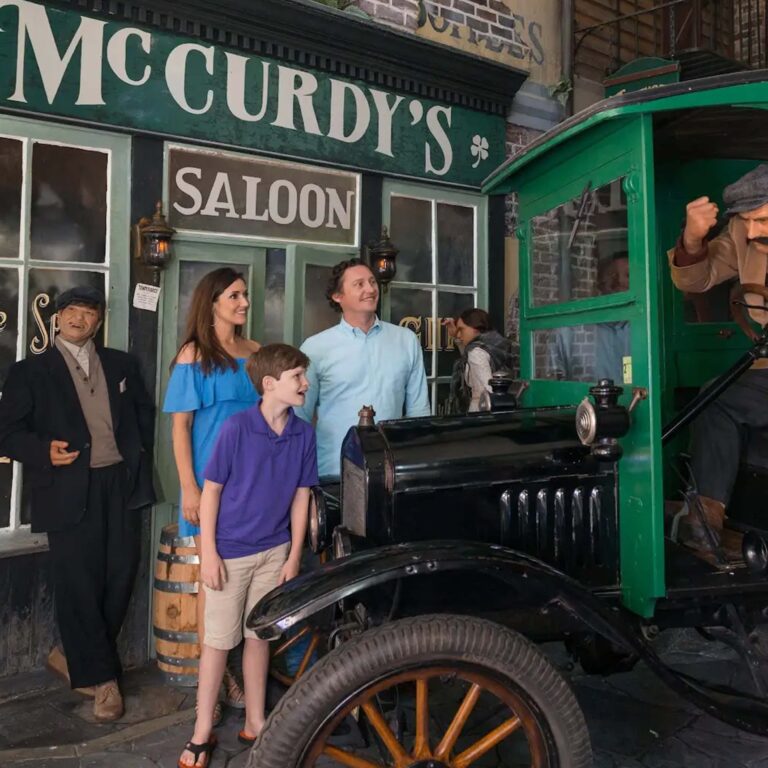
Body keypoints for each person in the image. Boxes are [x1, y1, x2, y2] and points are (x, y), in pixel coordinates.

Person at [0, 286, 155, 721]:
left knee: (122, 574)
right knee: (79, 583)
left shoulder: (121, 363)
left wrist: (136, 454)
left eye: (88, 313)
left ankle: (74, 658)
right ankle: (105, 682)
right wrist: (42, 450)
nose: (78, 318)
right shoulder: (30, 371)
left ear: (98, 322)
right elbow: (6, 432)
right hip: (67, 486)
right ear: (58, 319)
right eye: (71, 311)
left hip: (119, 484)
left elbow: (143, 414)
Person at [178, 344, 318, 768]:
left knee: (260, 638)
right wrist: (210, 553)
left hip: (274, 552)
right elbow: (212, 493)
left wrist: (294, 556)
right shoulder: (237, 428)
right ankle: (202, 731)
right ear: (270, 384)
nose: (305, 383)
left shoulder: (304, 433)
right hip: (232, 552)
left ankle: (256, 720)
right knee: (219, 643)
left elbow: (301, 496)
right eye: (298, 376)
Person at [162, 268, 261, 714]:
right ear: (213, 301)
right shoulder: (193, 354)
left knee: (247, 582)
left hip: (253, 484)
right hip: (210, 486)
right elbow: (180, 427)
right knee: (212, 586)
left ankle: (234, 674)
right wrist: (189, 488)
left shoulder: (257, 353)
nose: (243, 302)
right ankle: (216, 686)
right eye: (235, 295)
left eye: (245, 295)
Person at [667, 164, 768, 555]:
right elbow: (697, 279)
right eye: (746, 220)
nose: (754, 230)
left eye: (761, 219)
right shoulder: (746, 234)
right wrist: (693, 240)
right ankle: (705, 521)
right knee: (715, 397)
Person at [298, 258, 431, 478]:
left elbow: (419, 412)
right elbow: (299, 417)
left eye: (372, 282)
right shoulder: (315, 348)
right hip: (333, 472)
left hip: (392, 472)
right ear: (337, 296)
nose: (370, 289)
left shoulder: (406, 340)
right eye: (359, 284)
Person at [550, 252, 631, 383]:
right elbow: (553, 384)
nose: (616, 282)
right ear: (600, 284)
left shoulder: (644, 330)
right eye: (612, 276)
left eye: (628, 276)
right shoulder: (569, 331)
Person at [444, 308, 514, 412]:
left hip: (480, 411)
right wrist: (456, 336)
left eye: (461, 330)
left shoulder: (476, 353)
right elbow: (466, 357)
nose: (459, 334)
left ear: (475, 328)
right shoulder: (493, 346)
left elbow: (488, 391)